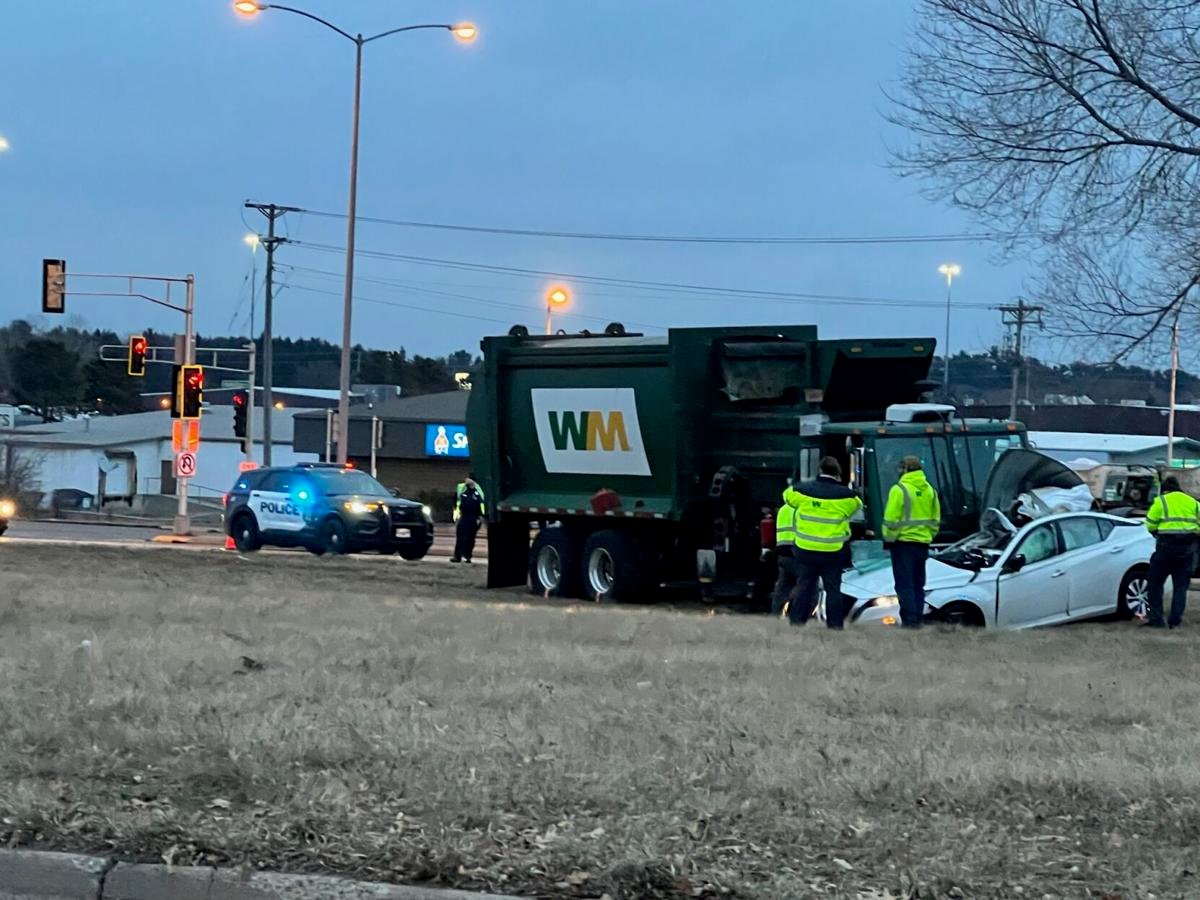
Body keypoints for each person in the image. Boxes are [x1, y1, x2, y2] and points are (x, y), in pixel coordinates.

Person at [782, 456, 863, 629]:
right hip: (833, 550)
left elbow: (787, 497)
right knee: (833, 589)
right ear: (838, 473)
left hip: (806, 548)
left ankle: (797, 622)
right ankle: (835, 625)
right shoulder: (848, 497)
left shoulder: (800, 492)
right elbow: (857, 506)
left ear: (820, 470)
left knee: (804, 585)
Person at [883, 456, 941, 629]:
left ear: (905, 469)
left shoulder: (899, 489)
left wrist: (889, 539)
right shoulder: (930, 491)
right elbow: (935, 521)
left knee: (904, 585)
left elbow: (891, 520)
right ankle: (917, 619)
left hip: (903, 544)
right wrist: (927, 536)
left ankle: (909, 622)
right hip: (923, 544)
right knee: (918, 584)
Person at [1144, 475, 1200, 629]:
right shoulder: (1193, 502)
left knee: (1155, 582)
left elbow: (1150, 524)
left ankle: (1156, 619)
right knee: (1181, 587)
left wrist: (1158, 530)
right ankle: (1175, 621)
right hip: (1188, 550)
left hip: (1166, 548)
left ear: (1164, 490)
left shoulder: (1161, 501)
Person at [770, 491, 799, 618]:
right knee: (807, 586)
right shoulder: (801, 509)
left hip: (783, 555)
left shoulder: (783, 509)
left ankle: (775, 614)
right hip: (798, 553)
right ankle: (797, 615)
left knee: (782, 588)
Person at [452, 474, 486, 563]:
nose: (466, 479)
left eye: (469, 478)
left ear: (473, 481)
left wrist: (480, 517)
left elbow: (482, 504)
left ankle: (467, 556)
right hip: (463, 516)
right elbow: (455, 501)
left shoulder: (479, 491)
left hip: (474, 517)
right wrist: (456, 515)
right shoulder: (462, 489)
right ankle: (457, 556)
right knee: (460, 537)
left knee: (470, 538)